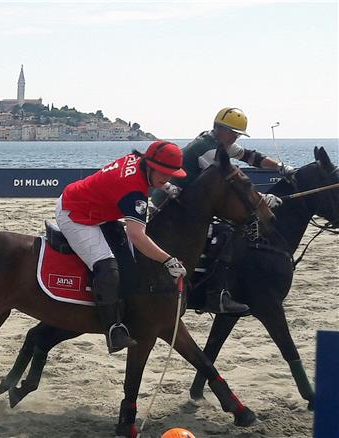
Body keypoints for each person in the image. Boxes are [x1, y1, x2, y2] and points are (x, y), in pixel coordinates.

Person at [151, 107, 295, 314]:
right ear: (221, 129)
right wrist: (262, 200)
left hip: (186, 204)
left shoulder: (219, 143)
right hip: (171, 207)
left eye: (238, 134)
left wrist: (280, 167)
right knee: (226, 233)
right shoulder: (209, 151)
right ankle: (217, 295)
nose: (236, 137)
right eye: (234, 133)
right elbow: (231, 185)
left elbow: (251, 157)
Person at [57, 141, 188, 353]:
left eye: (171, 174)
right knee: (107, 267)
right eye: (164, 173)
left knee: (128, 260)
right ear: (150, 165)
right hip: (75, 215)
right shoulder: (134, 193)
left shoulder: (139, 162)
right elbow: (136, 235)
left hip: (97, 208)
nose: (167, 177)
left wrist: (165, 186)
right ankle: (113, 329)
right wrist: (168, 260)